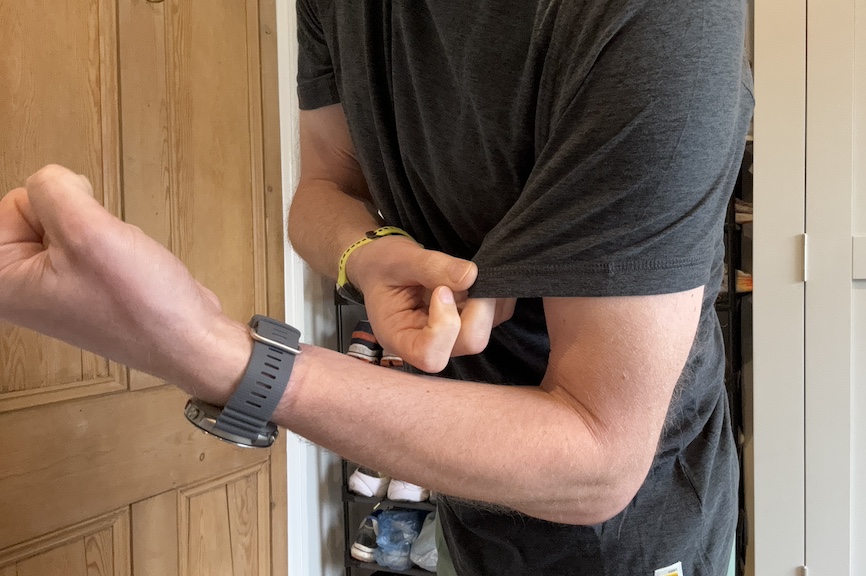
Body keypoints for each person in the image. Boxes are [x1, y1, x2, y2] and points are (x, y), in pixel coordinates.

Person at [0, 0, 753, 573]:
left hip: (630, 531)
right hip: (470, 498)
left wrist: (215, 354)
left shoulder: (657, 20)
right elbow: (322, 186)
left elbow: (598, 459)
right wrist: (365, 252)